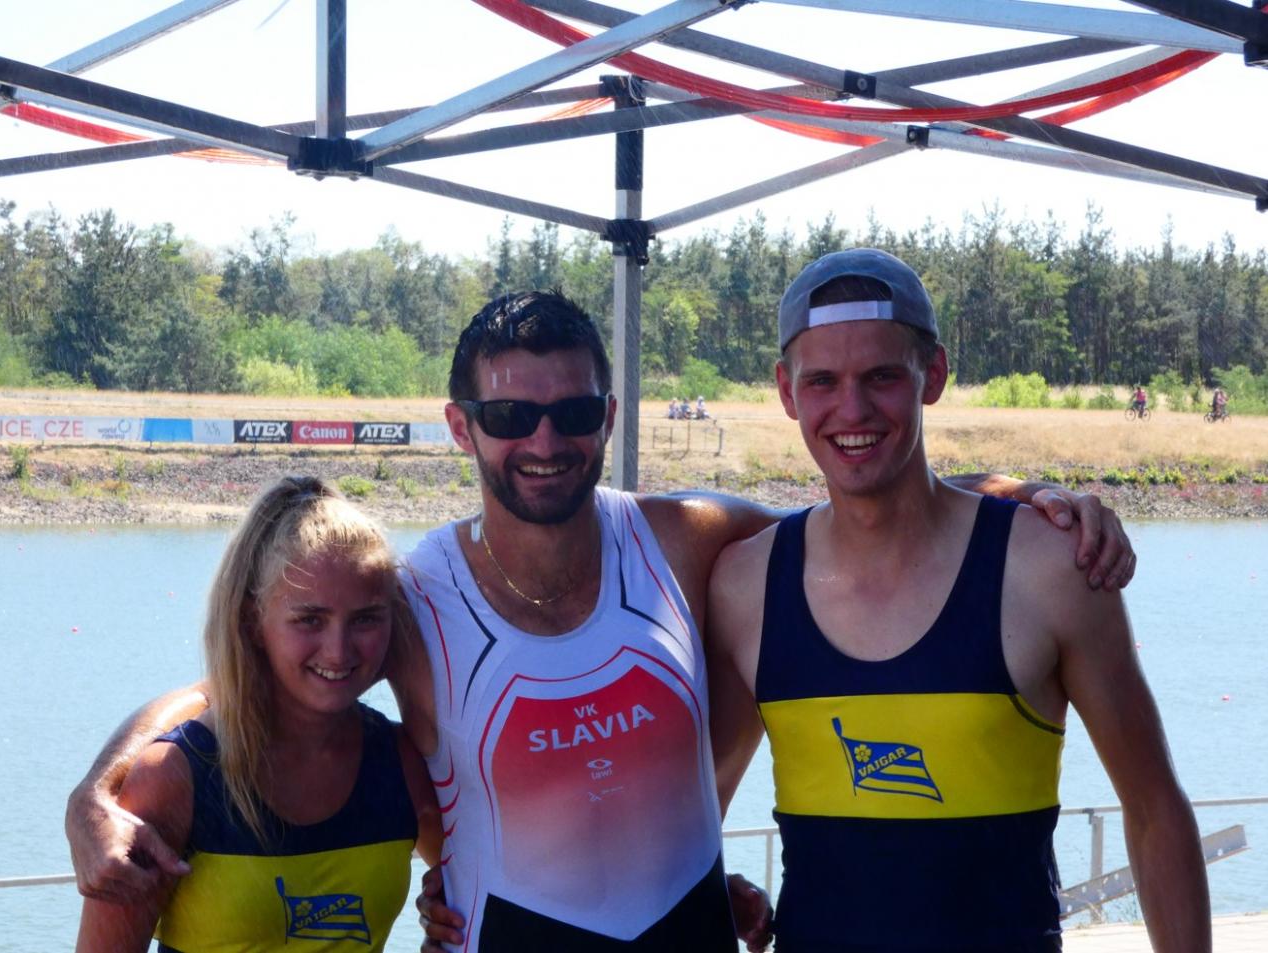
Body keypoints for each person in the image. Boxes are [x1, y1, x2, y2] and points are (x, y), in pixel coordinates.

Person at [66, 293, 1135, 953]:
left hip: (688, 933)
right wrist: (95, 794)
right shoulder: (414, 595)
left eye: (573, 412)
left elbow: (866, 520)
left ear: (607, 416)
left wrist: (1013, 493)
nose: (544, 440)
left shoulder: (682, 538)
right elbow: (251, 677)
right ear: (461, 426)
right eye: (510, 415)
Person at [705, 250, 1209, 953]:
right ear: (787, 392)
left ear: (933, 375)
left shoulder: (1048, 568)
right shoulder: (744, 586)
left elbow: (1154, 810)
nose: (852, 409)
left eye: (882, 376)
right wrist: (717, 890)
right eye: (823, 381)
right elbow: (692, 822)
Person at [74, 476, 441, 953]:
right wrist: (89, 796)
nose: (339, 650)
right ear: (253, 621)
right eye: (309, 619)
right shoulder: (176, 778)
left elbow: (469, 885)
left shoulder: (400, 764)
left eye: (365, 618)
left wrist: (447, 925)